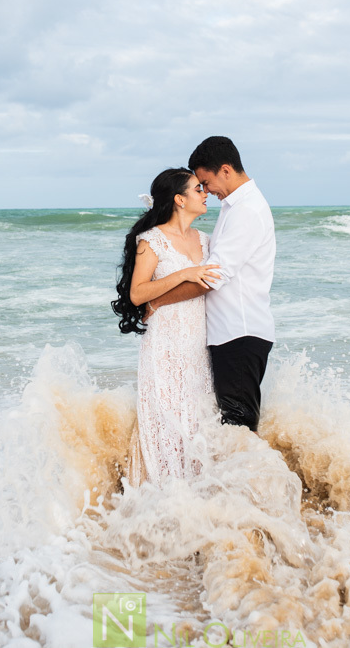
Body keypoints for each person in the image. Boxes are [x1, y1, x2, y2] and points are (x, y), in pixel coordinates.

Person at [146, 137, 276, 433]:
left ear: (226, 170)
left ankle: (256, 479)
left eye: (206, 182)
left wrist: (156, 301)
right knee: (231, 426)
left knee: (238, 429)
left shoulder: (246, 211)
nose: (205, 191)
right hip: (231, 333)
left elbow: (212, 278)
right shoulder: (235, 206)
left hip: (239, 333)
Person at [112, 168, 220, 485]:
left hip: (198, 343)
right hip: (165, 344)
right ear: (179, 199)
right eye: (198, 189)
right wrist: (183, 274)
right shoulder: (151, 240)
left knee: (197, 420)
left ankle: (199, 500)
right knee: (168, 420)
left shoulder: (206, 240)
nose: (204, 193)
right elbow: (137, 293)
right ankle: (162, 496)